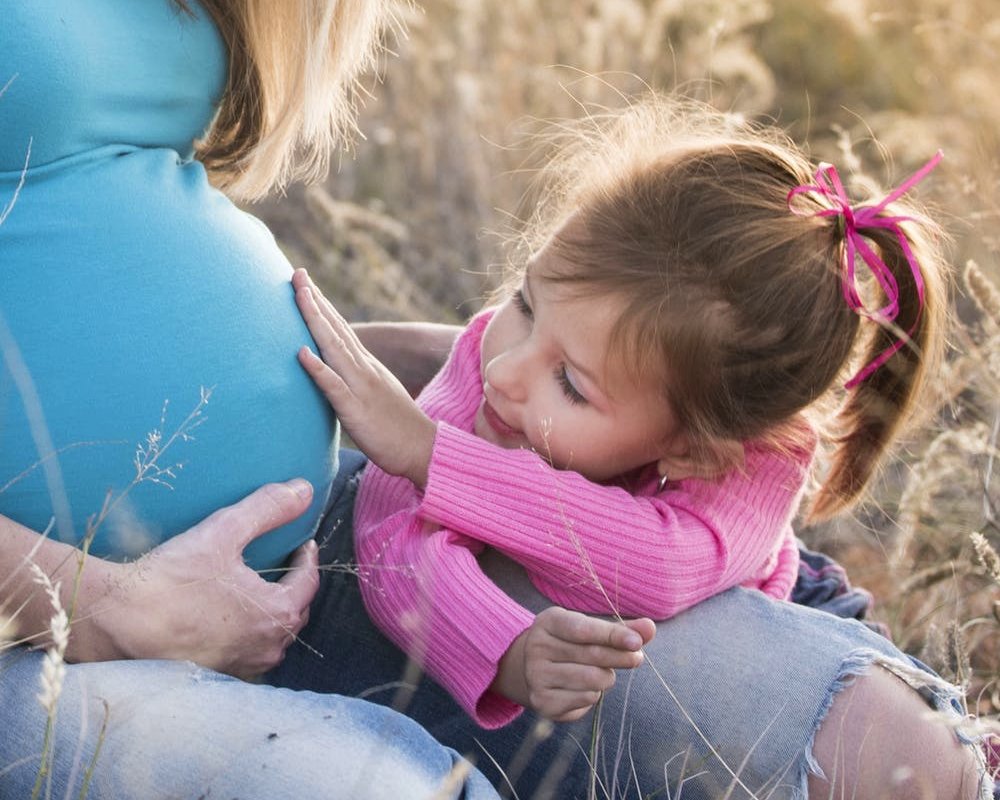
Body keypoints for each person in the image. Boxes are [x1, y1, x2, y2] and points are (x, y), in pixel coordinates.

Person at [272, 97, 998, 799]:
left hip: (768, 605)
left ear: (697, 451)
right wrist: (501, 649)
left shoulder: (755, 461)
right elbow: (389, 535)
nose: (504, 370)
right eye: (525, 304)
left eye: (572, 383)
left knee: (930, 755)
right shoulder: (496, 368)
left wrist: (433, 456)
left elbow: (654, 568)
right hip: (605, 654)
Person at [0, 1, 498, 797]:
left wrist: (357, 364)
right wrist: (104, 607)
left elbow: (83, 215)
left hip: (277, 575)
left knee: (708, 675)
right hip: (41, 637)